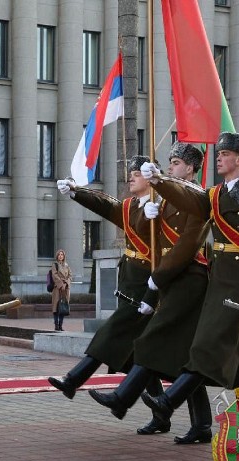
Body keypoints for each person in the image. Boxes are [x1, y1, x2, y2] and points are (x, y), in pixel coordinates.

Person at [138, 132, 239, 425]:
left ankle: (168, 401)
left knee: (205, 347)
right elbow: (189, 199)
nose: (219, 158)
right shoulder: (215, 195)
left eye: (225, 155)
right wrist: (160, 182)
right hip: (219, 284)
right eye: (219, 154)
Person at [88, 142, 213, 443]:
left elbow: (185, 247)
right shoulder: (166, 196)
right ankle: (200, 424)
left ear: (192, 169)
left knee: (151, 340)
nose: (171, 166)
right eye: (170, 161)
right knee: (185, 357)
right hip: (170, 279)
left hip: (188, 277)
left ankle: (123, 398)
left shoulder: (199, 197)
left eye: (177, 163)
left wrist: (157, 279)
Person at [50, 156, 166, 433]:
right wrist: (77, 191)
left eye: (137, 173)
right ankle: (160, 414)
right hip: (130, 285)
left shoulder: (163, 207)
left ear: (151, 177)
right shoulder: (130, 207)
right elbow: (105, 204)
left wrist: (159, 213)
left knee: (109, 333)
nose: (131, 177)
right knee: (142, 358)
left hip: (148, 288)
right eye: (131, 173)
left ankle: (73, 381)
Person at [51, 249, 72, 331]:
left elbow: (70, 276)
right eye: (59, 254)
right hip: (57, 288)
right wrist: (61, 284)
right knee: (56, 307)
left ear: (64, 256)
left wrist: (66, 283)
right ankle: (56, 325)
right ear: (57, 256)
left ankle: (61, 325)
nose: (60, 256)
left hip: (65, 289)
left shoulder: (67, 265)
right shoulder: (55, 265)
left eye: (62, 255)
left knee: (63, 307)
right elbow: (54, 276)